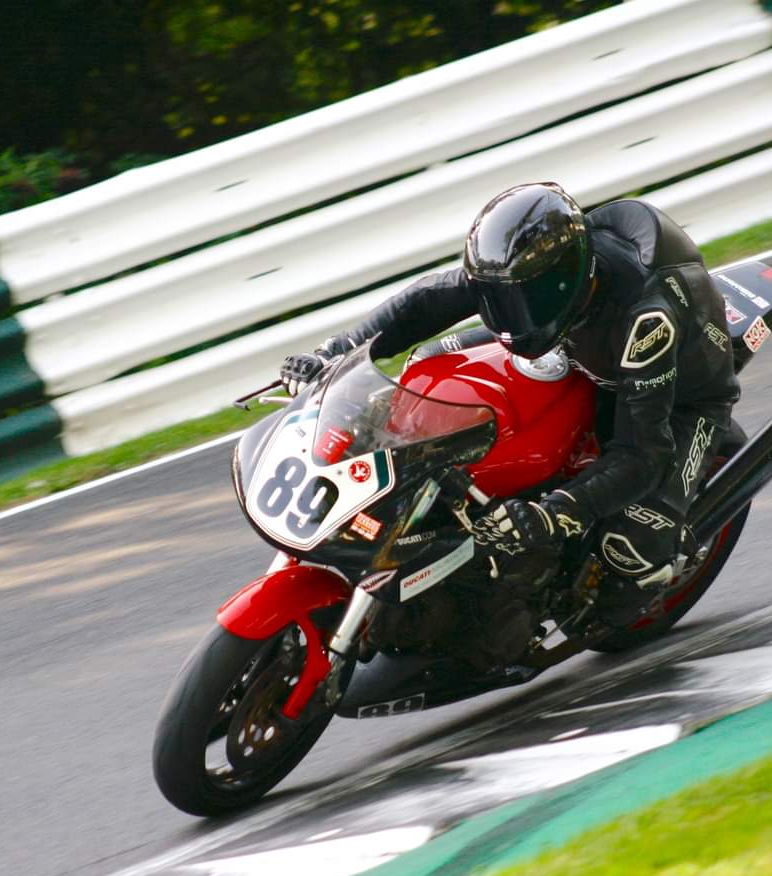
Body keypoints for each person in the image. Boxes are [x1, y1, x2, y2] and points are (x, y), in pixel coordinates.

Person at [280, 182, 739, 595]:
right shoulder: (521, 277)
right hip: (578, 345)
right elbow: (423, 301)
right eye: (497, 299)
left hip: (680, 393)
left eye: (518, 302)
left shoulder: (646, 323)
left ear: (563, 283)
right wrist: (334, 353)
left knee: (633, 553)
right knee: (430, 363)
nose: (505, 311)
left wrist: (557, 511)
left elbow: (642, 454)